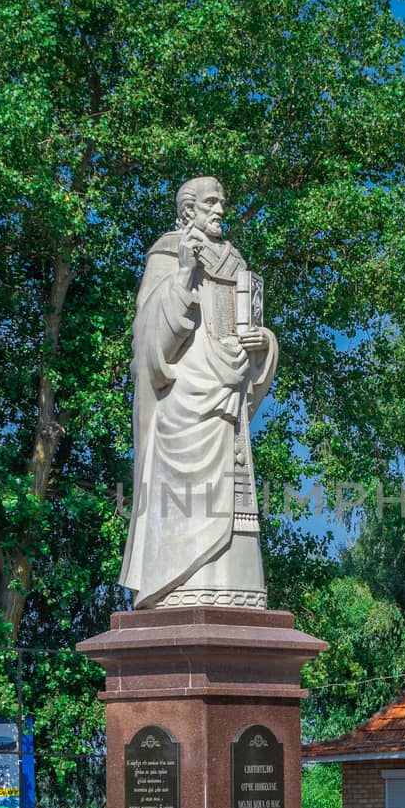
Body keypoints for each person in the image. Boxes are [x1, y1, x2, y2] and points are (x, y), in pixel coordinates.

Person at [119, 176, 278, 609]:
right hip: (184, 404)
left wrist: (262, 343)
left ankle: (232, 592)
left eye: (223, 202)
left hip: (227, 402)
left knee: (235, 499)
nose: (220, 210)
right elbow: (149, 343)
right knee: (184, 508)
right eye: (211, 202)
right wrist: (186, 274)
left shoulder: (235, 261)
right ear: (188, 210)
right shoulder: (168, 254)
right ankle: (177, 590)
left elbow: (251, 330)